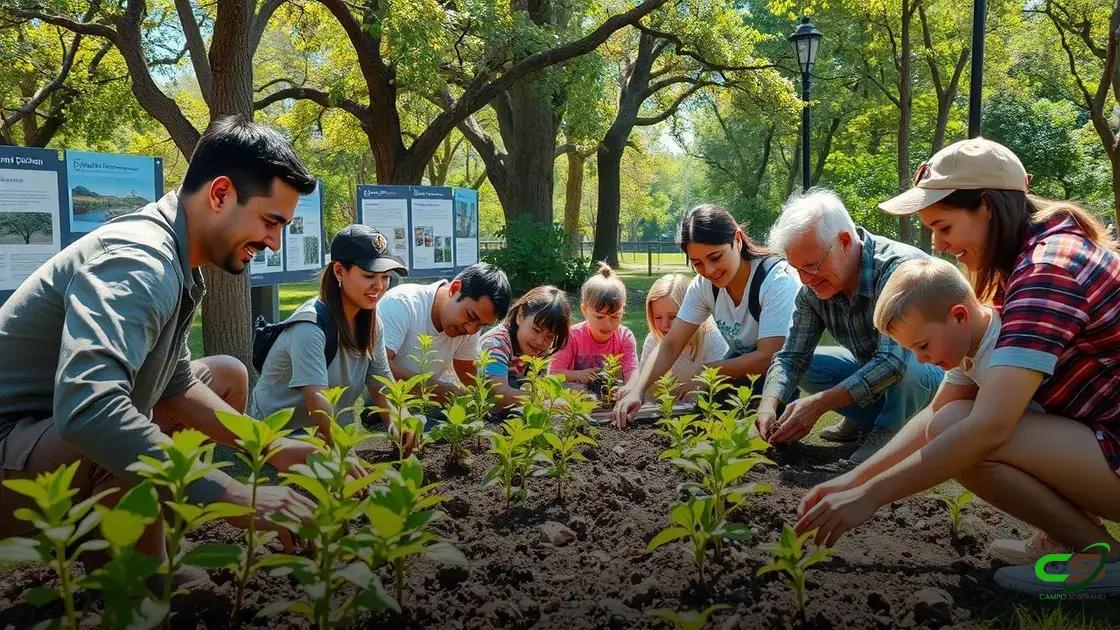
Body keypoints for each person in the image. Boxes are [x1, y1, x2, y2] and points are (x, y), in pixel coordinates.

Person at [796, 137, 1120, 595]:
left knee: (966, 434)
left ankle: (1103, 560)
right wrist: (850, 481)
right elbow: (939, 410)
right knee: (950, 422)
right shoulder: (1027, 265)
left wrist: (868, 499)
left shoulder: (1049, 270)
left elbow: (988, 427)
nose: (939, 244)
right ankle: (1076, 540)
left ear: (986, 207)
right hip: (1103, 441)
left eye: (943, 226)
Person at [0, 116, 319, 576]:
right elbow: (89, 409)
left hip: (44, 435)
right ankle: (134, 581)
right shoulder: (140, 262)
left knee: (225, 373)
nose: (274, 241)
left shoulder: (176, 255)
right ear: (220, 194)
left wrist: (269, 445)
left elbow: (175, 382)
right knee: (118, 423)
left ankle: (152, 537)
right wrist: (229, 492)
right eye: (271, 221)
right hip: (13, 451)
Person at [756, 189, 944, 465]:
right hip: (877, 371)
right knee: (810, 363)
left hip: (934, 380)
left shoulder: (899, 270)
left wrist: (819, 404)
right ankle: (862, 420)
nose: (805, 279)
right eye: (796, 269)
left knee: (908, 365)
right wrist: (768, 404)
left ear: (844, 241)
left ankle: (890, 431)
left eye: (811, 266)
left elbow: (893, 362)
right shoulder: (811, 290)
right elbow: (791, 357)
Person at [613, 204, 800, 427]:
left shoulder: (776, 280)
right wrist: (638, 390)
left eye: (715, 257)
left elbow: (770, 356)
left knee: (761, 435)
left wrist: (708, 370)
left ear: (737, 240)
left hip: (780, 373)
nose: (709, 271)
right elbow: (672, 343)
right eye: (697, 263)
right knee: (708, 422)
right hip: (739, 366)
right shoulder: (704, 286)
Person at [250, 225, 406, 437]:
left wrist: (400, 425)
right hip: (281, 433)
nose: (379, 286)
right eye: (369, 276)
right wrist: (343, 453)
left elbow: (380, 379)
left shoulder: (372, 320)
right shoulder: (309, 327)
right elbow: (317, 400)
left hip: (327, 431)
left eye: (386, 277)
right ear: (339, 271)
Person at [379, 262, 511, 404]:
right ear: (455, 289)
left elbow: (466, 370)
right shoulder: (402, 304)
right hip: (380, 406)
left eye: (482, 325)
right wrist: (433, 388)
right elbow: (378, 366)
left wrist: (486, 401)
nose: (471, 330)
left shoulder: (469, 327)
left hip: (419, 406)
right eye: (471, 316)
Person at [550, 263, 639, 393]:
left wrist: (629, 388)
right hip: (576, 400)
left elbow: (632, 372)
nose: (607, 325)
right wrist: (578, 375)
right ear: (584, 310)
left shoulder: (624, 337)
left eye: (615, 317)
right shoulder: (571, 337)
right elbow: (553, 374)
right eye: (600, 317)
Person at [479, 285, 572, 409]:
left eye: (549, 337)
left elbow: (541, 386)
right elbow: (499, 395)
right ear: (520, 316)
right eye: (536, 330)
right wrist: (546, 403)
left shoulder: (541, 352)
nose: (540, 341)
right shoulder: (495, 344)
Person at [638, 273, 729, 397]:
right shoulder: (653, 340)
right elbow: (645, 391)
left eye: (673, 317)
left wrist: (698, 385)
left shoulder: (712, 338)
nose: (665, 325)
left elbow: (718, 386)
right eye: (658, 317)